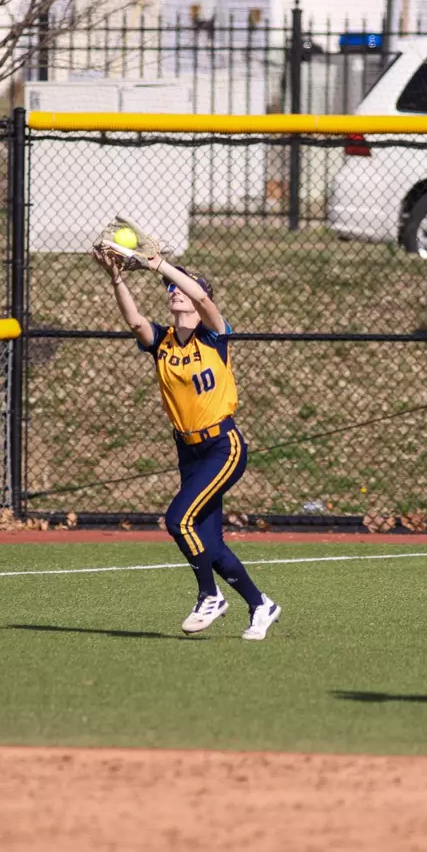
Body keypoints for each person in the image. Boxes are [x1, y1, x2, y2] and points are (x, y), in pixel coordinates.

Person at [93, 244, 281, 640]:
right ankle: (260, 604)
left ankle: (209, 596)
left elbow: (199, 296)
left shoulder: (213, 336)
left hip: (222, 446)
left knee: (178, 520)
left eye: (179, 288)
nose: (173, 292)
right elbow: (133, 321)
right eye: (170, 290)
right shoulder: (162, 341)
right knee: (209, 544)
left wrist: (159, 264)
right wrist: (118, 277)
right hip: (189, 451)